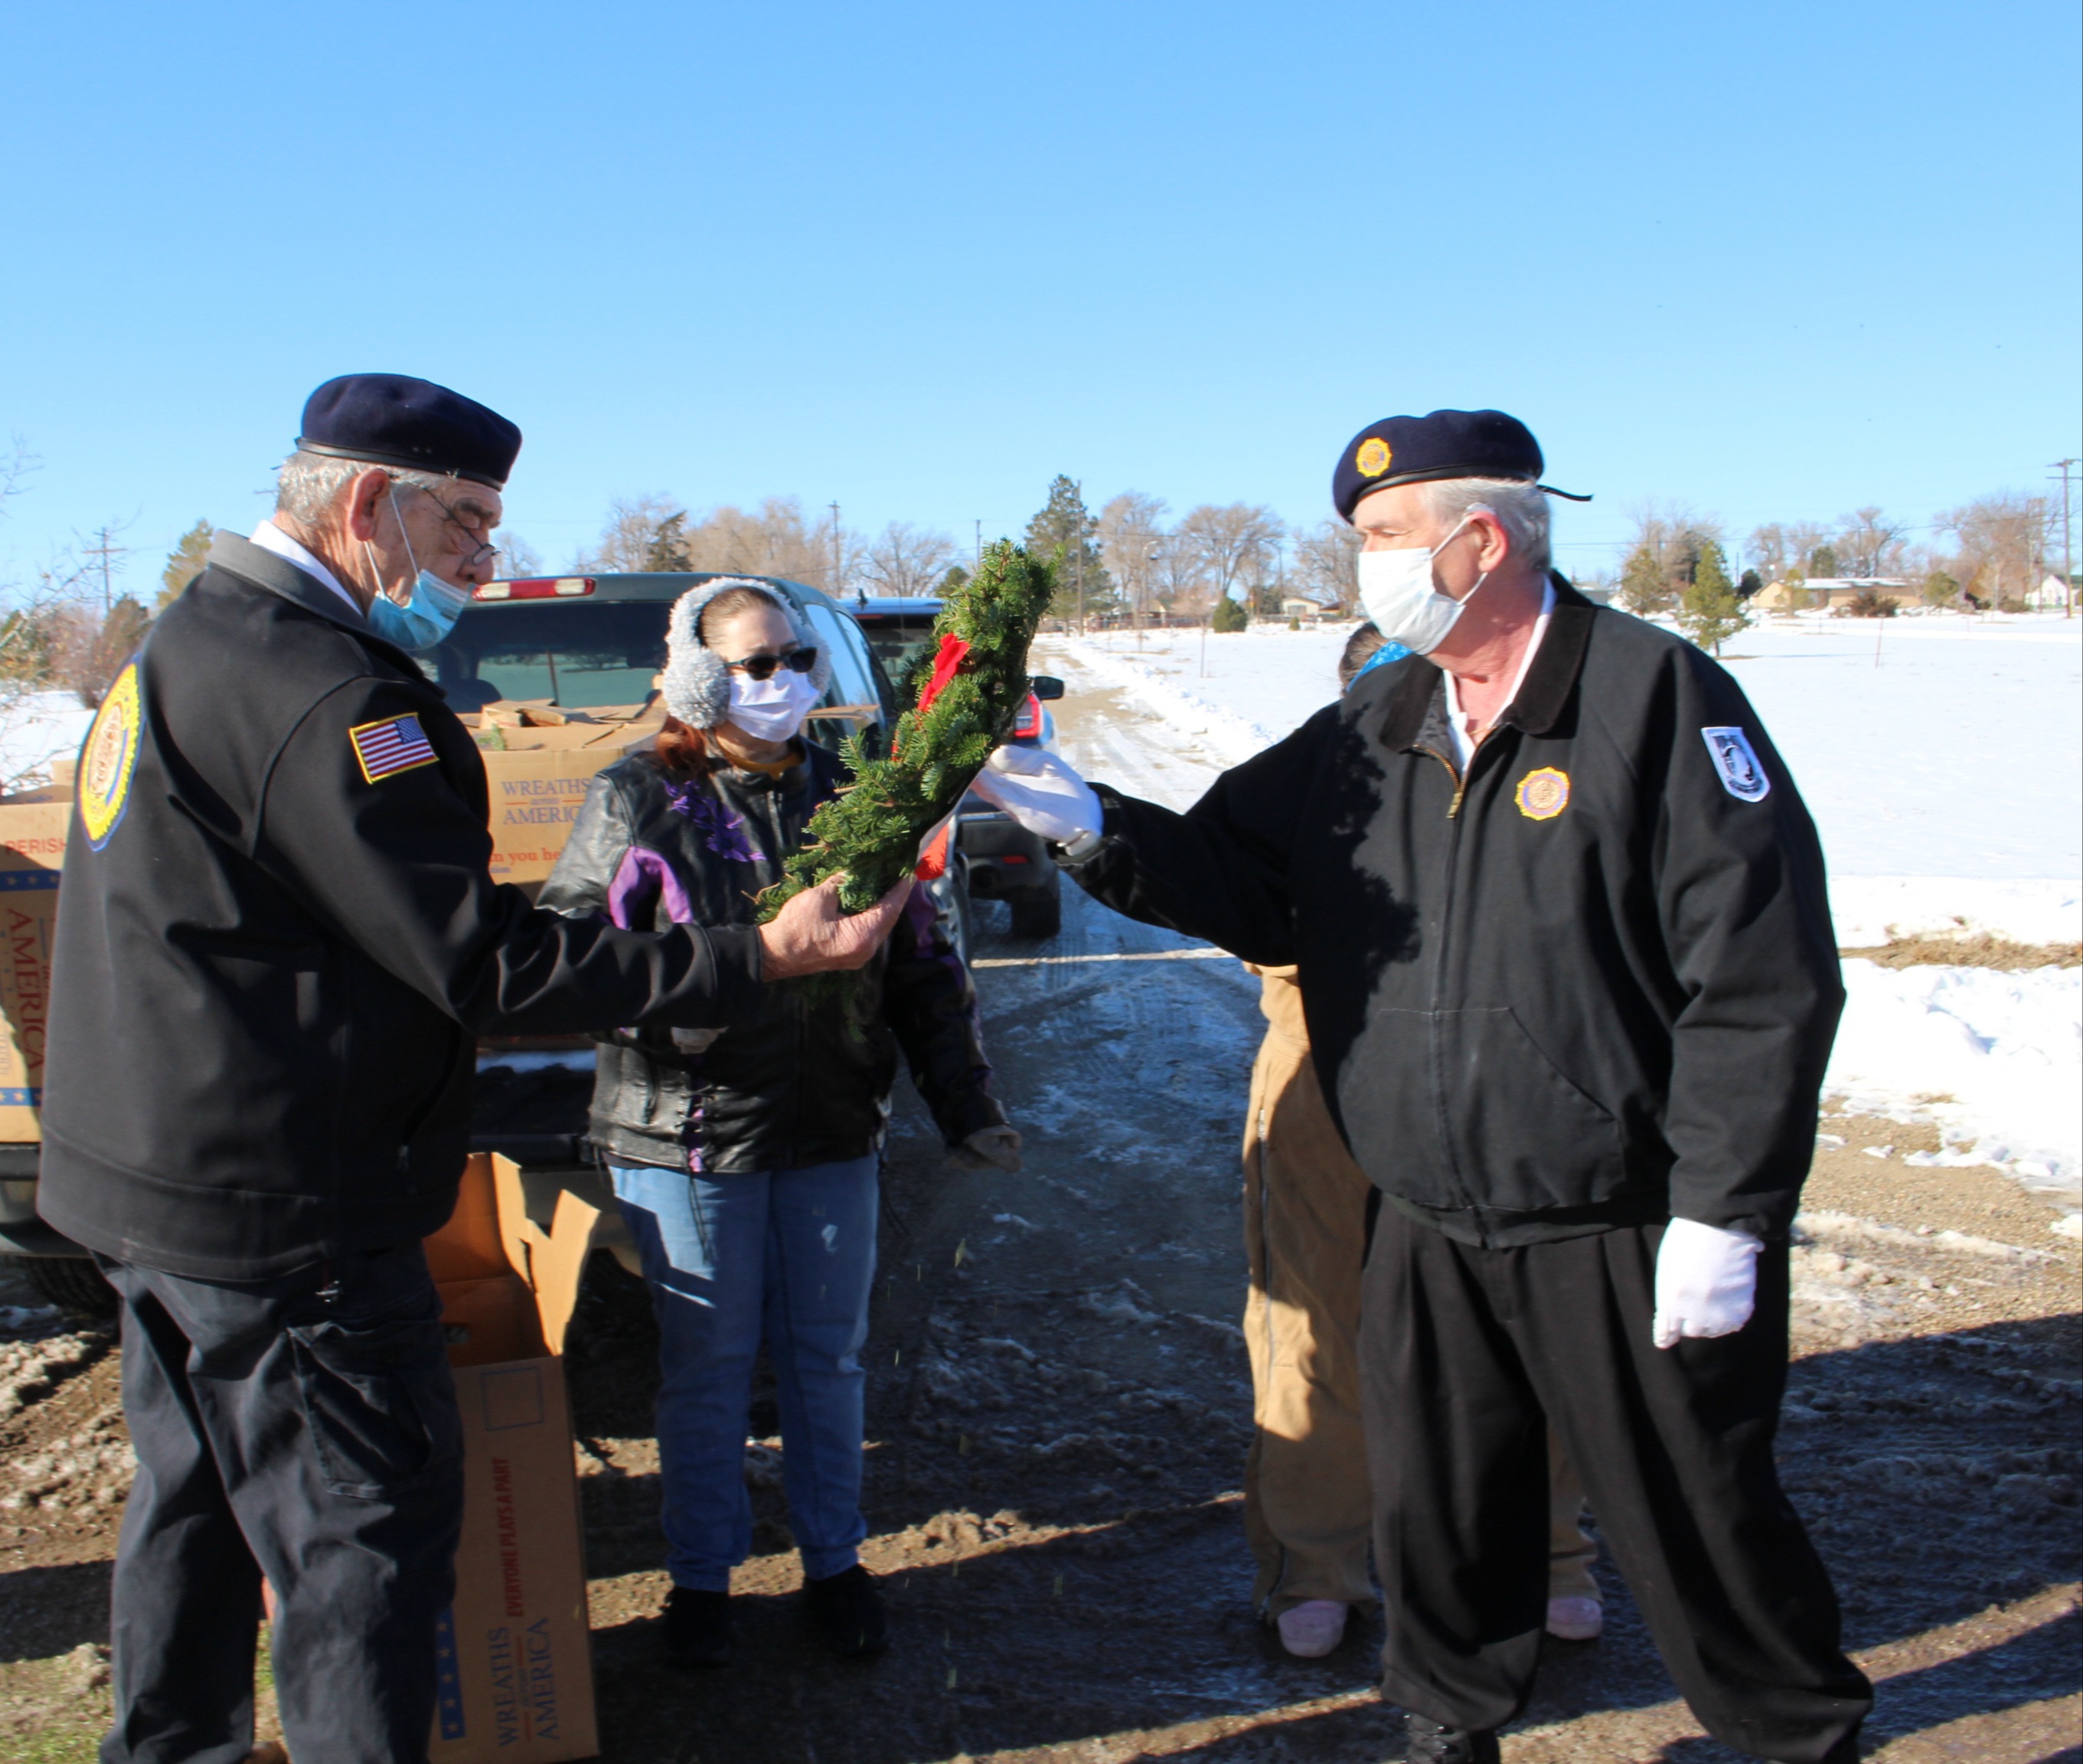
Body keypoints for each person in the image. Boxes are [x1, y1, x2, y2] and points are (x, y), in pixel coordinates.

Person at [970, 410, 1870, 1764]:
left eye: (1383, 539)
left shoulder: (1651, 699)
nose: (1362, 567)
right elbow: (1243, 876)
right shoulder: (1376, 718)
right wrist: (1090, 826)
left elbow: (1763, 978)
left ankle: (1796, 1734)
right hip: (1427, 1214)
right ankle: (1449, 1718)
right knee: (1449, 1505)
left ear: (1482, 537)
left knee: (1696, 1511)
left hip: (1615, 1218)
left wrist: (1725, 1211)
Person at [38, 377, 907, 1764]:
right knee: (356, 1544)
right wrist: (758, 957)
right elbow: (485, 962)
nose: (485, 564)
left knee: (195, 1511)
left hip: (148, 1179)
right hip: (287, 1207)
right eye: (468, 522)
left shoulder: (192, 639)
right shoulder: (323, 691)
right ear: (370, 501)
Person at [538, 579, 1018, 1669]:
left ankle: (833, 1564)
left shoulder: (858, 794)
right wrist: (701, 995)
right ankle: (700, 1582)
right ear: (701, 680)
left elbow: (923, 964)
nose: (785, 682)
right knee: (707, 1365)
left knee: (827, 1358)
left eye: (795, 658)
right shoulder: (638, 798)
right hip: (690, 1135)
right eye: (756, 666)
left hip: (832, 1125)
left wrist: (965, 1103)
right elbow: (568, 961)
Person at [1245, 625, 1604, 1662]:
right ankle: (1313, 1566)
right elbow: (1225, 894)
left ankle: (1546, 1553)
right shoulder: (1314, 776)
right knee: (1316, 1325)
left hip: (1502, 1080)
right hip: (1324, 1072)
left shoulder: (1529, 767)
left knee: (1526, 1323)